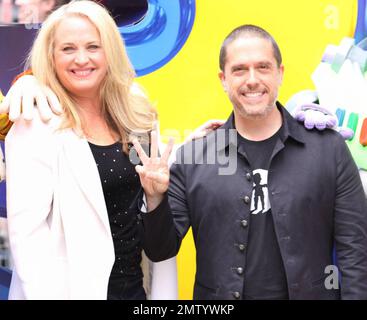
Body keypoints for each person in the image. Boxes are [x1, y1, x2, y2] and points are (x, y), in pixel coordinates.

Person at [133, 24, 367, 300]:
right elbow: (161, 249)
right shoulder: (194, 156)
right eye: (240, 69)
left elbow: (355, 251)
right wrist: (155, 197)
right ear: (223, 79)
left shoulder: (328, 149)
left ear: (280, 73)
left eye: (263, 67)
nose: (252, 80)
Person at [4, 0, 177, 300]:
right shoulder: (36, 119)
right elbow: (28, 240)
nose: (81, 59)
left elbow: (148, 193)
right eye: (68, 49)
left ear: (110, 50)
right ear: (51, 56)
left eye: (93, 47)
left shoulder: (134, 110)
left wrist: (157, 191)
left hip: (135, 292)